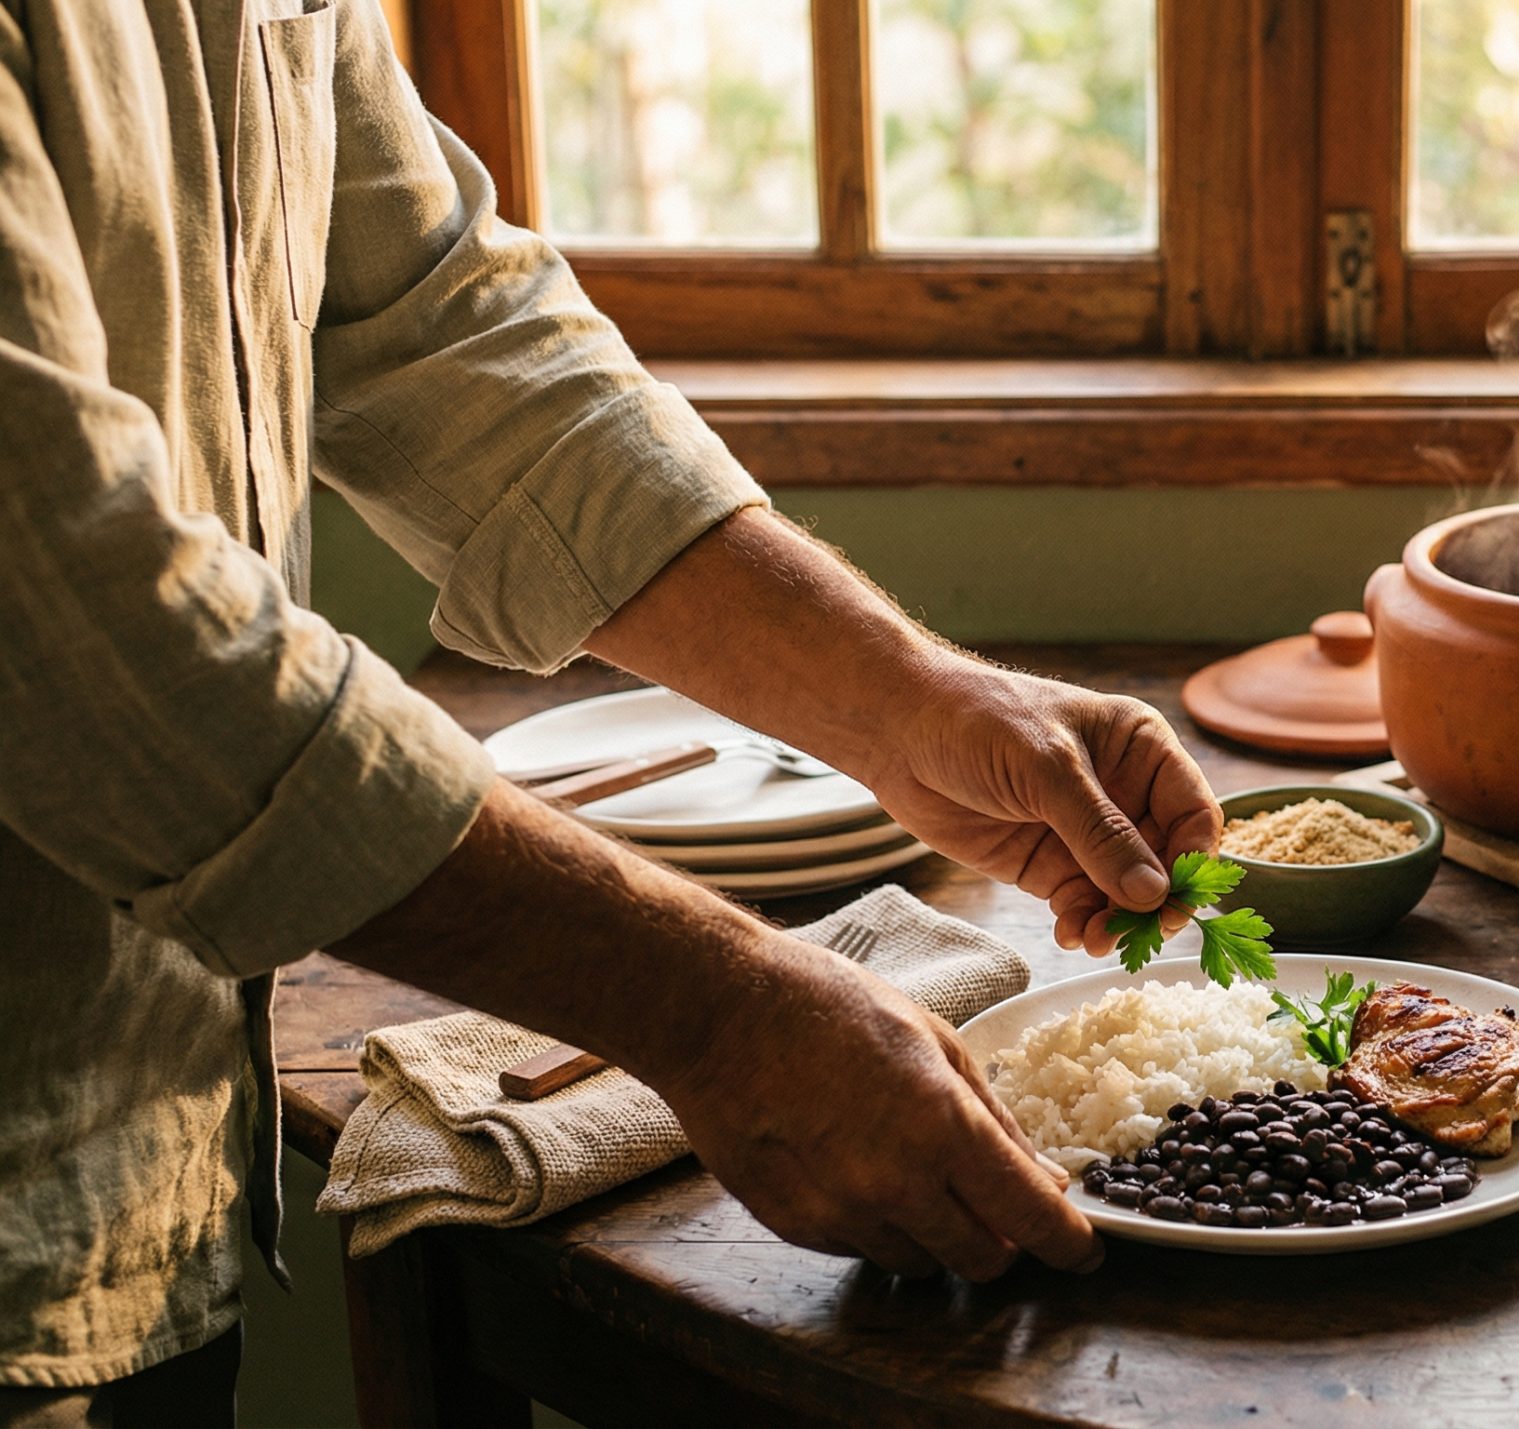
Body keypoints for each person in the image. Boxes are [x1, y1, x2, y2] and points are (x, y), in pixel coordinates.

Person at [0, 0, 1217, 1419]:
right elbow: (76, 619)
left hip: (139, 1173)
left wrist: (916, 701)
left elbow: (450, 331)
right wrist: (721, 1011)